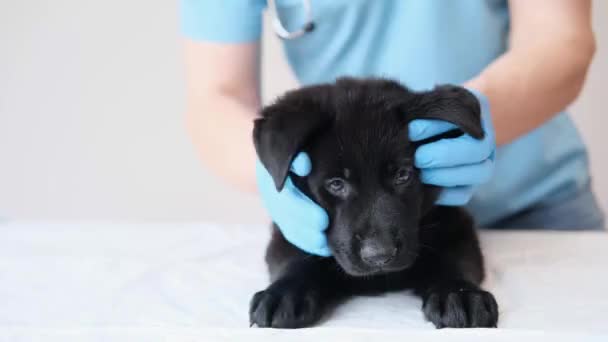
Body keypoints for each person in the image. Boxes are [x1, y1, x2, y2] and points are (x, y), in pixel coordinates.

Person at [181, 0, 604, 256]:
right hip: (354, 228)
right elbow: (217, 93)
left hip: (535, 208)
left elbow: (561, 40)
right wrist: (271, 171)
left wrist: (481, 112)